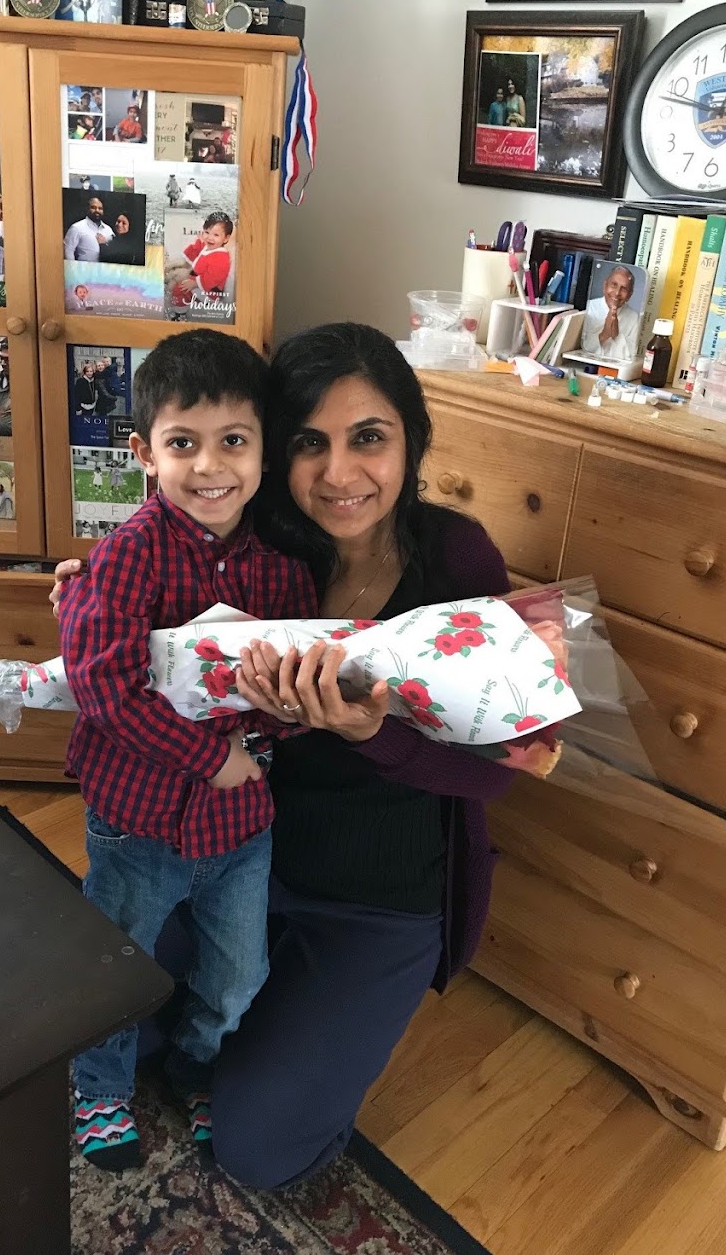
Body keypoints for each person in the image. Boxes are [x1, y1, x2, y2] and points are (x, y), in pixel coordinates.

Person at [51, 322, 514, 1189]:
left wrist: (374, 734)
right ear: (276, 453)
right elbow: (154, 588)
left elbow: (497, 769)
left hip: (377, 897)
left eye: (368, 438)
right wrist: (87, 597)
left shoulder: (454, 557)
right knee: (111, 1024)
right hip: (238, 854)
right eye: (308, 443)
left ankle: (276, 1038)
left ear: (411, 440)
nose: (338, 474)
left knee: (257, 1147)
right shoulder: (266, 540)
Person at [58, 331, 317, 1171]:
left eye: (233, 440)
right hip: (137, 823)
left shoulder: (282, 575)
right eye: (182, 443)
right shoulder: (127, 557)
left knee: (238, 975)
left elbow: (289, 698)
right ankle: (98, 1085)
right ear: (144, 453)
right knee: (115, 966)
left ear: (264, 451)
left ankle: (196, 1067)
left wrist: (282, 719)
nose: (210, 466)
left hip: (240, 829)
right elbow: (103, 687)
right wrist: (209, 758)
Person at [166, 212, 234, 312]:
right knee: (178, 284)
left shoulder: (221, 257)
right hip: (196, 281)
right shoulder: (211, 247)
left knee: (180, 290)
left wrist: (195, 284)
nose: (210, 237)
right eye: (207, 232)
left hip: (208, 292)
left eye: (216, 235)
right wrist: (200, 241)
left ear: (226, 238)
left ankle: (180, 312)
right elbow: (201, 250)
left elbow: (213, 277)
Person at [582, 265, 640, 360]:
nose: (617, 293)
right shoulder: (588, 307)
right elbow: (579, 348)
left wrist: (616, 336)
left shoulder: (633, 317)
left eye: (624, 288)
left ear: (630, 295)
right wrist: (604, 334)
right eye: (614, 285)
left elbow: (631, 356)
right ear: (605, 285)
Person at [64, 196, 111, 261]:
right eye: (93, 208)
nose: (97, 210)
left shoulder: (108, 229)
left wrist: (105, 243)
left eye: (100, 208)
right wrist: (72, 266)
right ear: (87, 209)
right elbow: (68, 250)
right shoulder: (77, 227)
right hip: (83, 267)